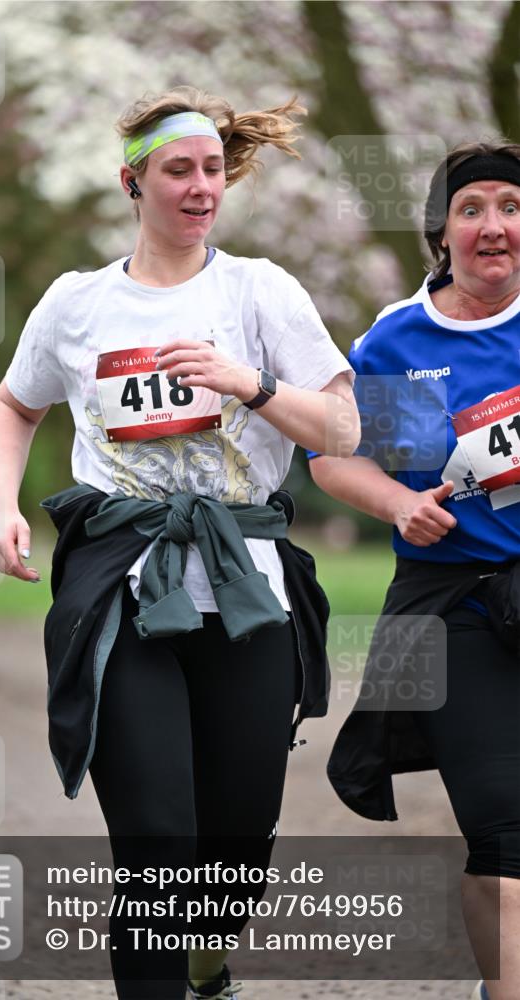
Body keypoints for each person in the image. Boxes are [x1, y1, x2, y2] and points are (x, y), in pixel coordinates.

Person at [0, 85, 360, 1000]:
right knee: (155, 841)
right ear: (133, 182)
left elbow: (342, 432)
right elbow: (14, 405)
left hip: (246, 592)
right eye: (177, 171)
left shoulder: (259, 290)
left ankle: (207, 949)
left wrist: (251, 383)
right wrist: (3, 507)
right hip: (121, 590)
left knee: (234, 839)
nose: (200, 188)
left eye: (211, 172)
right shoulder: (77, 304)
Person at [309, 140, 520, 1000]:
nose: (493, 226)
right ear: (441, 233)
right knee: (505, 845)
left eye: (509, 205)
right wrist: (399, 504)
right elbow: (338, 459)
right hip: (458, 608)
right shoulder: (403, 342)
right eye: (471, 210)